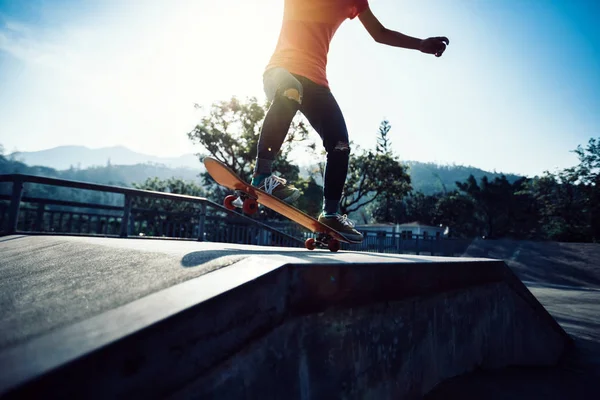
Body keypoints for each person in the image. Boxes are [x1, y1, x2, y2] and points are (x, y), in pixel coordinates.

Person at [250, 0, 449, 242]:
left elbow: (379, 33)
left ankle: (331, 213)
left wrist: (419, 44)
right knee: (292, 90)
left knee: (340, 144)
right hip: (281, 71)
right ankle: (262, 175)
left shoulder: (354, 1)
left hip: (318, 84)